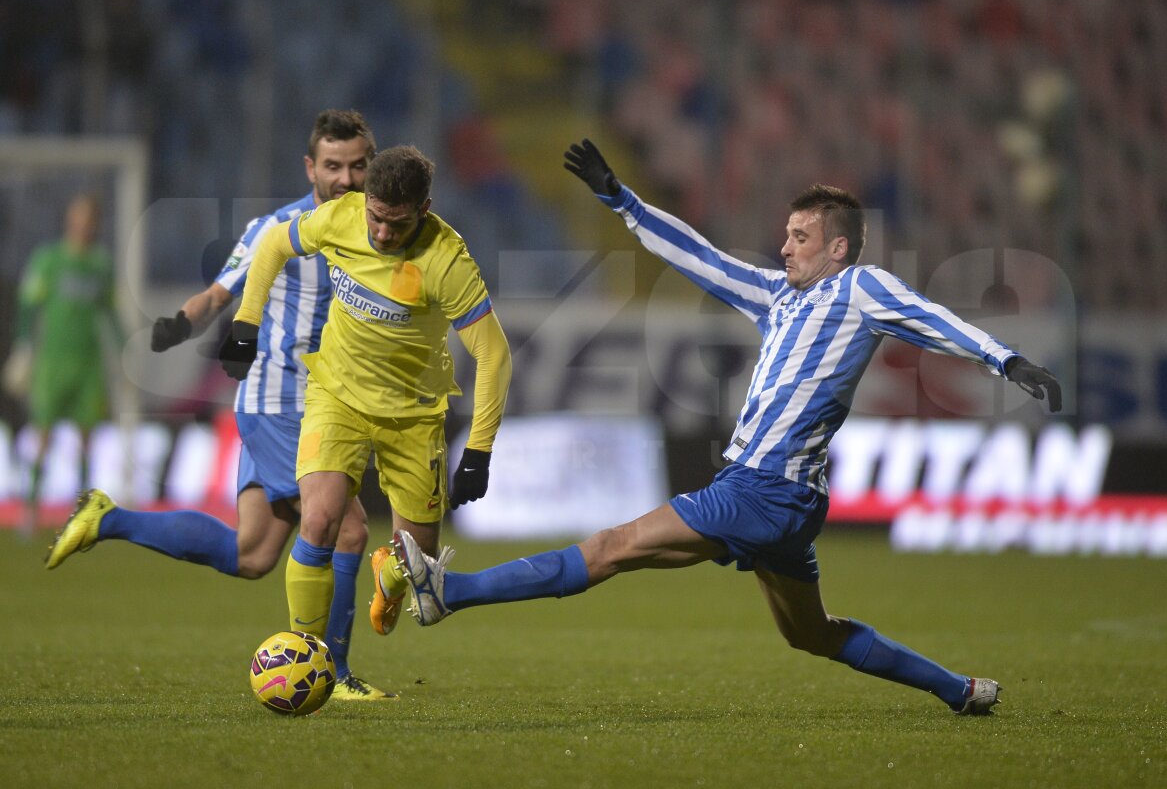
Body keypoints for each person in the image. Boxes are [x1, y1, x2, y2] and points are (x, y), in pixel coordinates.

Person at [386, 139, 1064, 716]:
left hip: (762, 490)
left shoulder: (860, 288)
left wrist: (1004, 358)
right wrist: (624, 201)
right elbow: (700, 257)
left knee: (613, 546)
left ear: (837, 247)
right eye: (786, 234)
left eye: (800, 236)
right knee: (814, 634)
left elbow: (929, 314)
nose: (785, 245)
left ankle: (451, 593)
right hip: (784, 499)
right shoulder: (777, 297)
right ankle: (960, 690)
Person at [44, 110, 394, 701]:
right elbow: (219, 292)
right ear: (311, 167)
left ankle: (108, 518)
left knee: (252, 552)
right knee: (350, 528)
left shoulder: (380, 228)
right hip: (284, 400)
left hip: (323, 404)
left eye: (358, 165)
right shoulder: (278, 228)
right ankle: (333, 676)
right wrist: (180, 324)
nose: (347, 178)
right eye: (333, 166)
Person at [222, 144, 511, 654]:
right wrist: (246, 324)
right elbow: (272, 244)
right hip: (337, 398)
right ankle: (303, 654)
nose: (381, 233)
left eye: (396, 225)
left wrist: (480, 451)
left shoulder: (447, 261)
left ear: (424, 210)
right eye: (376, 218)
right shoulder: (341, 217)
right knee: (319, 519)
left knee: (418, 568)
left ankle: (391, 575)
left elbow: (495, 356)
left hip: (414, 417)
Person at [10, 193, 123, 538]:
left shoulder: (101, 265)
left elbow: (110, 312)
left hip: (87, 364)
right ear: (69, 221)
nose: (84, 226)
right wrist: (24, 345)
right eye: (79, 218)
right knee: (43, 436)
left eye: (90, 219)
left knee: (86, 438)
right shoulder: (49, 260)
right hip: (53, 362)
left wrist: (124, 347)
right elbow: (30, 304)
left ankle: (83, 514)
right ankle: (30, 510)